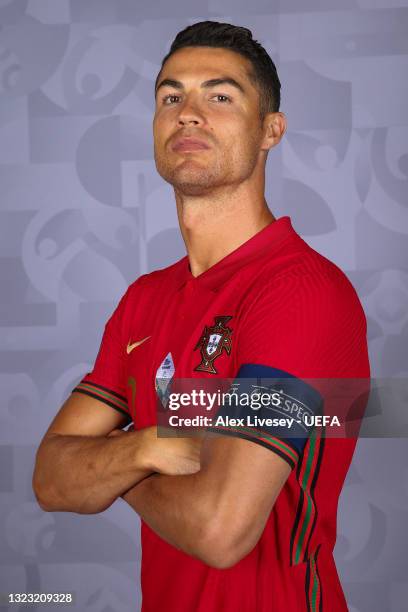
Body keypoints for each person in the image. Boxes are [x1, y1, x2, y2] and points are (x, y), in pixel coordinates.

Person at [32, 21, 370, 612]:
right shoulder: (144, 299)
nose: (188, 113)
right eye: (171, 96)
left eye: (220, 96)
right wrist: (147, 446)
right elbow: (51, 480)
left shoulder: (301, 292)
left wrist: (117, 461)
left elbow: (220, 531)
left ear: (271, 131)